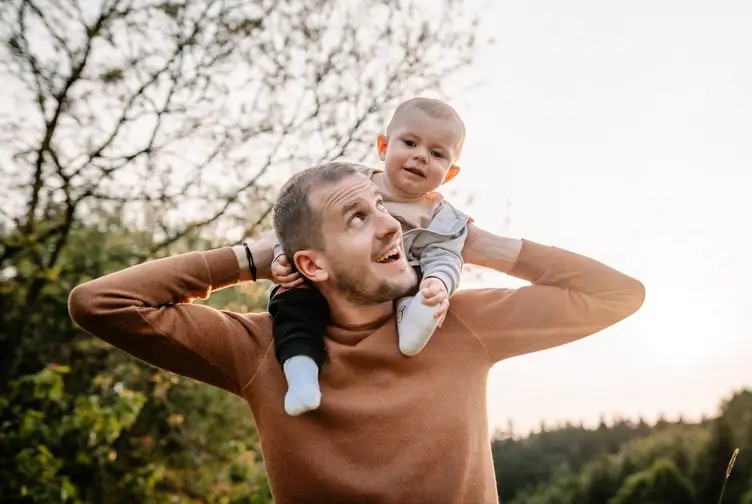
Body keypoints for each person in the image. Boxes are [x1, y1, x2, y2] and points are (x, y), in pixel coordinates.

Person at [68, 161, 645, 504]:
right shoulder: (260, 349)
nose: (391, 223)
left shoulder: (459, 323)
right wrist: (248, 258)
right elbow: (101, 303)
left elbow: (619, 294)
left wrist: (478, 244)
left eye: (381, 207)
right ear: (312, 264)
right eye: (357, 217)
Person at [269, 97, 470, 416]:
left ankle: (413, 321)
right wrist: (283, 257)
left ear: (449, 173)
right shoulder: (347, 183)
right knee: (294, 305)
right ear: (382, 146)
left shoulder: (443, 219)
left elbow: (445, 257)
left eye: (436, 153)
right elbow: (300, 220)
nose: (420, 156)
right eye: (410, 142)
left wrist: (436, 283)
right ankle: (301, 373)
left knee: (417, 291)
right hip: (322, 283)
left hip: (393, 292)